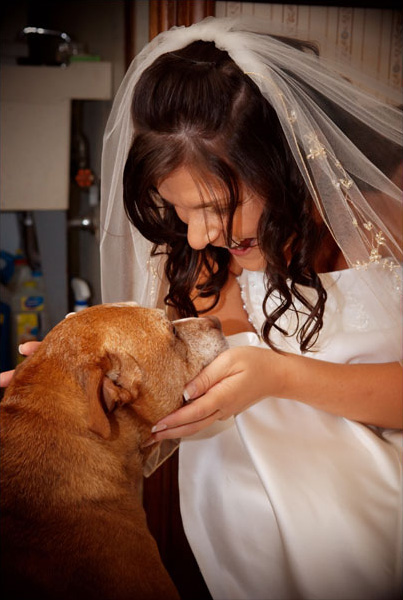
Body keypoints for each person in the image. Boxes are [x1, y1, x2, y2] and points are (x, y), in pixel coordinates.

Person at [3, 16, 401, 600]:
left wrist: (281, 376)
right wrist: (67, 394)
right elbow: (184, 406)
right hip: (248, 528)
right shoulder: (208, 264)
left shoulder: (389, 216)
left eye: (215, 205)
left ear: (285, 162)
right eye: (178, 209)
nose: (194, 236)